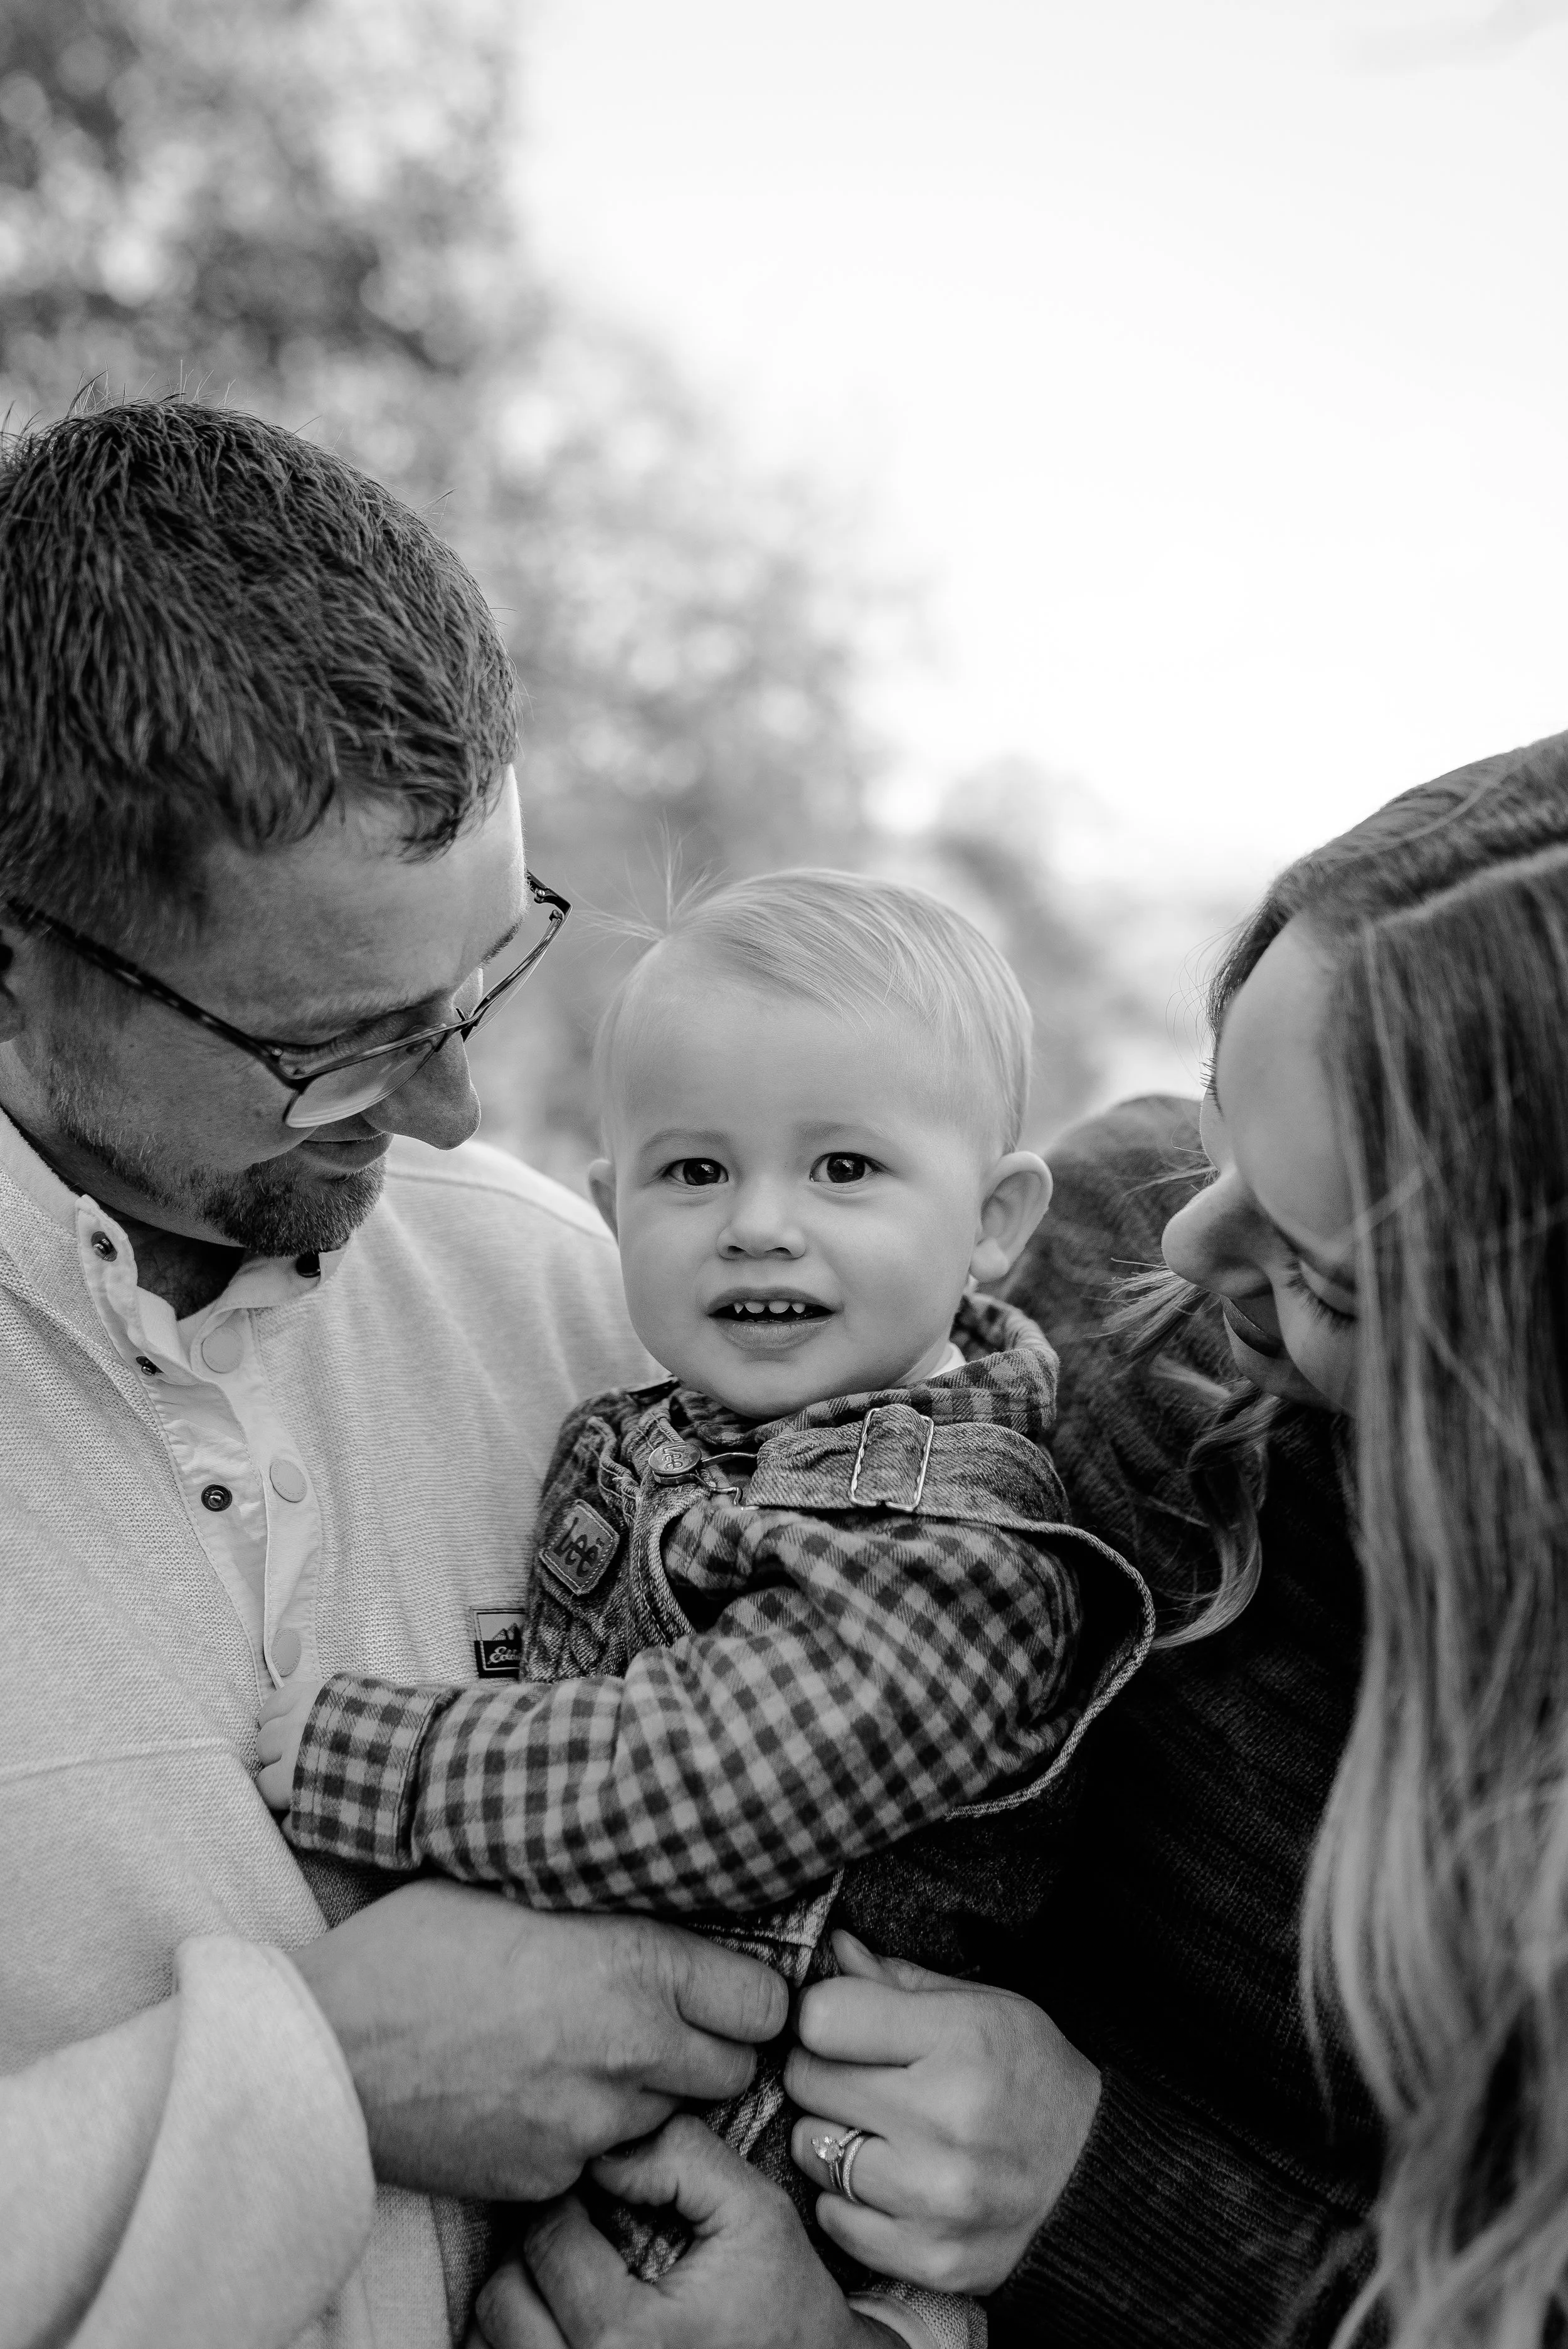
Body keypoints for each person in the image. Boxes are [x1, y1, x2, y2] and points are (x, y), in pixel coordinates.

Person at [470, 735, 1568, 2349]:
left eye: (1321, 1278)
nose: (1192, 1241)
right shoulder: (1104, 1257)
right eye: (1218, 1126)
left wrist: (1097, 2196)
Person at [0, 398, 788, 2346]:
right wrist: (314, 2093)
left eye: (483, 980)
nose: (450, 1107)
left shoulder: (565, 1297)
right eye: (338, 1046)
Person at [256, 869, 1151, 2349]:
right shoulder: (671, 1428)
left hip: (802, 2198)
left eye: (844, 1170)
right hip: (613, 2145)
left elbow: (711, 1771)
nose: (758, 1227)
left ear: (991, 1224)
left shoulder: (950, 1542)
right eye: (690, 1174)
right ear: (608, 1208)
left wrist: (392, 1763)